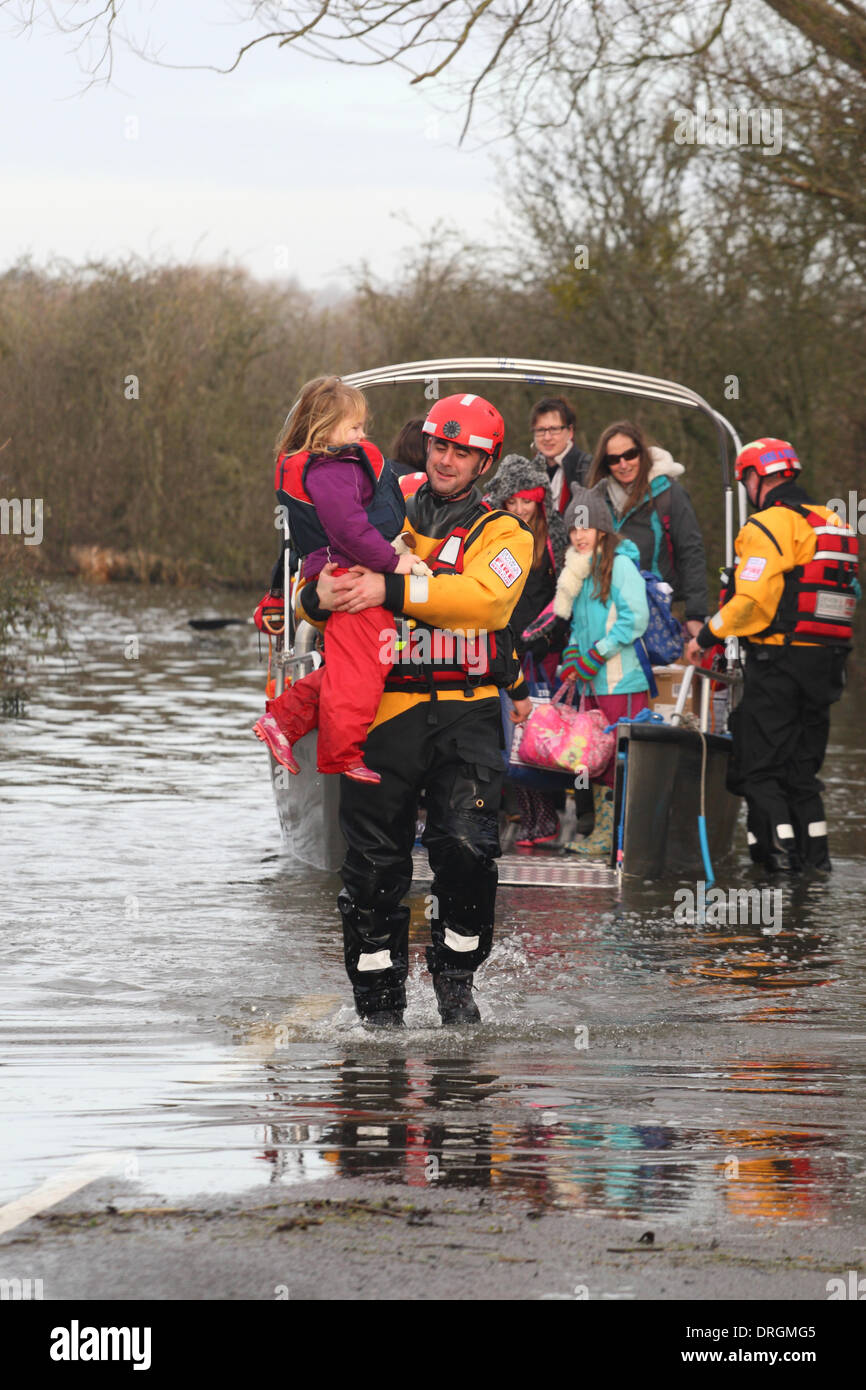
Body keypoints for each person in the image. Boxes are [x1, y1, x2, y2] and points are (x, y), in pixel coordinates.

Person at [299, 392, 534, 1028]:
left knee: (464, 844)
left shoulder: (504, 532)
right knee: (374, 869)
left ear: (485, 463)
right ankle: (379, 1010)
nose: (447, 460)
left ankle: (455, 974)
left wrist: (392, 586)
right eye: (439, 446)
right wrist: (315, 596)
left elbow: (485, 601)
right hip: (382, 713)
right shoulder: (380, 502)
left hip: (467, 712)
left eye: (463, 452)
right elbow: (320, 568)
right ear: (425, 443)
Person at [685, 437, 858, 874]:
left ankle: (776, 866)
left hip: (780, 663)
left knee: (759, 771)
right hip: (828, 665)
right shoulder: (833, 521)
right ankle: (815, 867)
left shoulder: (767, 526)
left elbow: (751, 603)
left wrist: (705, 637)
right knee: (803, 775)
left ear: (755, 477)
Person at [251, 376, 424, 783]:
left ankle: (284, 722)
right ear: (325, 429)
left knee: (356, 665)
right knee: (360, 671)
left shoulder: (333, 466)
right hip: (349, 573)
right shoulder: (333, 470)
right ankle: (341, 756)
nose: (363, 436)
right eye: (355, 428)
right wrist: (391, 561)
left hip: (344, 568)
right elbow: (348, 529)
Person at [557, 483, 650, 858]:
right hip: (592, 683)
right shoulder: (580, 570)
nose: (579, 535)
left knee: (613, 759)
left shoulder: (621, 565)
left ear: (602, 529)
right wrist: (572, 654)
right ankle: (599, 829)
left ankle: (615, 834)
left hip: (621, 681)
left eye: (587, 527)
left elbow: (635, 619)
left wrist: (597, 652)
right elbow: (578, 627)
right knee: (589, 756)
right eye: (574, 528)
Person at [483, 453, 569, 846]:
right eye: (511, 502)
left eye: (527, 501)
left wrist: (546, 638)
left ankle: (546, 819)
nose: (519, 509)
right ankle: (516, 814)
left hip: (539, 653)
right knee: (504, 737)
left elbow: (563, 597)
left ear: (540, 501)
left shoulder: (553, 540)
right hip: (501, 647)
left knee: (536, 738)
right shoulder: (495, 536)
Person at [588, 420, 708, 639]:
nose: (624, 464)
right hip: (607, 616)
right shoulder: (597, 499)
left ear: (642, 453)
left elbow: (692, 553)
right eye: (614, 459)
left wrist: (696, 615)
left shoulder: (669, 494)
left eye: (630, 454)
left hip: (658, 614)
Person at [529, 396, 593, 514]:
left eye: (554, 429)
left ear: (570, 432)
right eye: (540, 430)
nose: (547, 437)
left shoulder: (586, 468)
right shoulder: (527, 473)